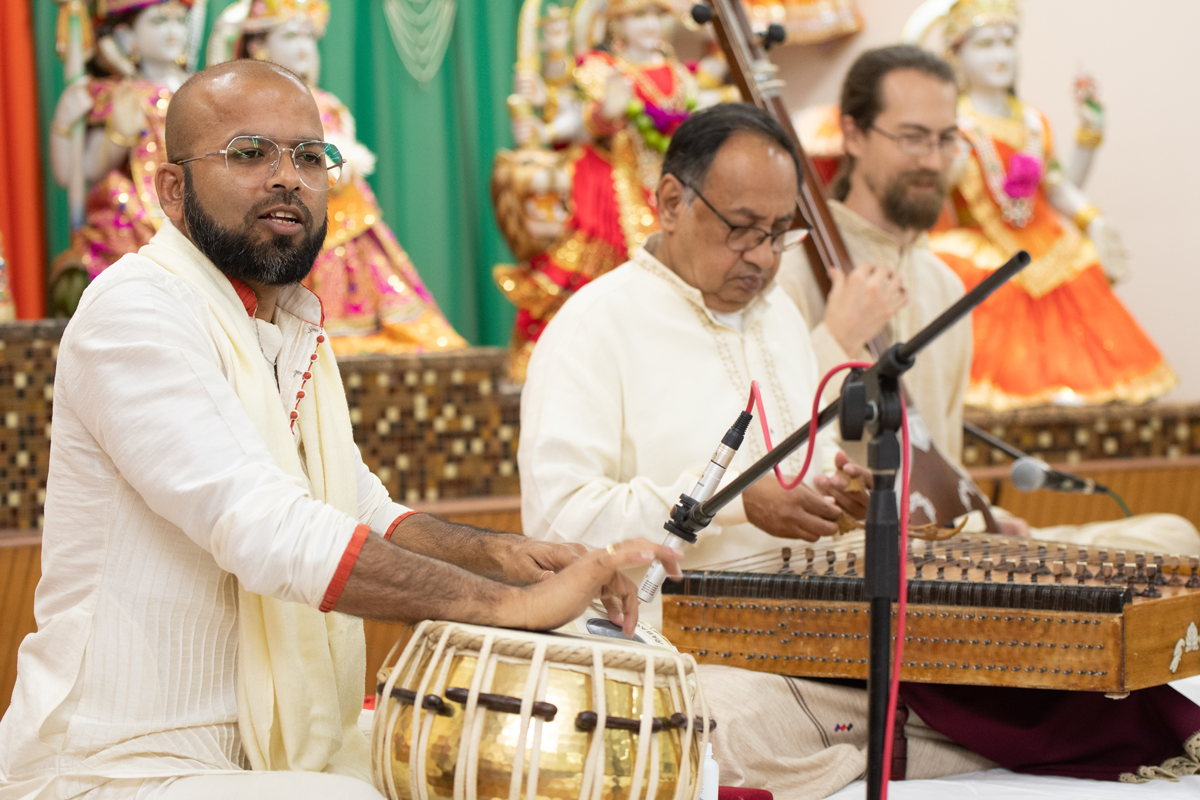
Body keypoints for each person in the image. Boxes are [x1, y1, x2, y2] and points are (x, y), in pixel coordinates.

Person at [0, 60, 680, 800]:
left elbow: (358, 508)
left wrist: (508, 558)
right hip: (116, 761)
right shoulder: (135, 311)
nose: (287, 178)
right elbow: (263, 527)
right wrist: (507, 607)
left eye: (308, 156)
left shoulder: (292, 325)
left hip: (261, 753)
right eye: (249, 153)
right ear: (170, 189)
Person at [522, 102, 1200, 797]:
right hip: (678, 640)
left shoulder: (777, 316)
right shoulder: (592, 328)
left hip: (817, 630)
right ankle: (904, 731)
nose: (763, 257)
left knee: (1033, 650)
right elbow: (557, 529)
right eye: (742, 230)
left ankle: (886, 728)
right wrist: (732, 502)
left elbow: (803, 471)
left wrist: (837, 495)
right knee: (711, 724)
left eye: (779, 233)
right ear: (670, 202)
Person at [778, 44, 1200, 557]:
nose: (933, 160)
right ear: (852, 135)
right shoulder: (793, 269)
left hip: (945, 541)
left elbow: (939, 453)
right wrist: (836, 338)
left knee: (1173, 537)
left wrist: (983, 515)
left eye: (946, 139)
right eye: (912, 138)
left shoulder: (942, 282)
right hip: (858, 551)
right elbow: (776, 451)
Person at [911, 0, 1175, 409]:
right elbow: (925, 201)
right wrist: (944, 166)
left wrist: (1093, 214)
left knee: (1082, 263)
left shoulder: (1033, 122)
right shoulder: (952, 125)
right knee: (966, 278)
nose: (1000, 55)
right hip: (986, 253)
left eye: (1007, 42)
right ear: (955, 56)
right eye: (985, 45)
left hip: (1045, 246)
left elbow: (1055, 189)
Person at [207, 0, 466, 355]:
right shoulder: (248, 106)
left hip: (341, 222)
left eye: (310, 37)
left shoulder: (327, 103)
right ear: (258, 45)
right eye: (291, 36)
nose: (304, 47)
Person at [494, 0, 698, 380]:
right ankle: (578, 367)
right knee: (600, 284)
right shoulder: (600, 69)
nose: (651, 24)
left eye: (658, 14)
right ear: (616, 23)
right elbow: (578, 122)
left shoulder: (681, 75)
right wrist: (604, 114)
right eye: (639, 15)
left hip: (668, 190)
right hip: (613, 187)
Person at [48, 0, 192, 310]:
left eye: (180, 21)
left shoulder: (204, 91)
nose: (173, 31)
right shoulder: (121, 94)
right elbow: (83, 171)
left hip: (195, 215)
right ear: (127, 36)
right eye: (158, 22)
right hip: (139, 220)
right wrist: (70, 124)